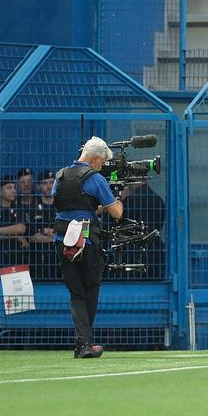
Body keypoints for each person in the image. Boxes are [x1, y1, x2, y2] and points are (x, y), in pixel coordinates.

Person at [52, 136, 123, 359]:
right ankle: (84, 344)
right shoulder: (96, 179)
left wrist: (95, 208)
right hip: (88, 241)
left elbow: (68, 206)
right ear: (93, 159)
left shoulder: (60, 176)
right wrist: (117, 199)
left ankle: (82, 344)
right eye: (101, 162)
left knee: (76, 294)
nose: (102, 166)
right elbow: (117, 213)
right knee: (90, 291)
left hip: (63, 240)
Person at [27, 169, 58, 279]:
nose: (49, 186)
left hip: (58, 260)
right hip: (37, 259)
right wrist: (57, 237)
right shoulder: (33, 205)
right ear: (39, 186)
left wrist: (43, 230)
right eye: (45, 183)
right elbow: (32, 236)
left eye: (52, 182)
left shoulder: (62, 205)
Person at [0, 175, 28, 267]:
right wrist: (14, 236)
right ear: (0, 191)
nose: (13, 191)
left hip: (16, 258)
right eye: (9, 188)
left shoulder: (19, 208)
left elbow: (21, 228)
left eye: (14, 188)